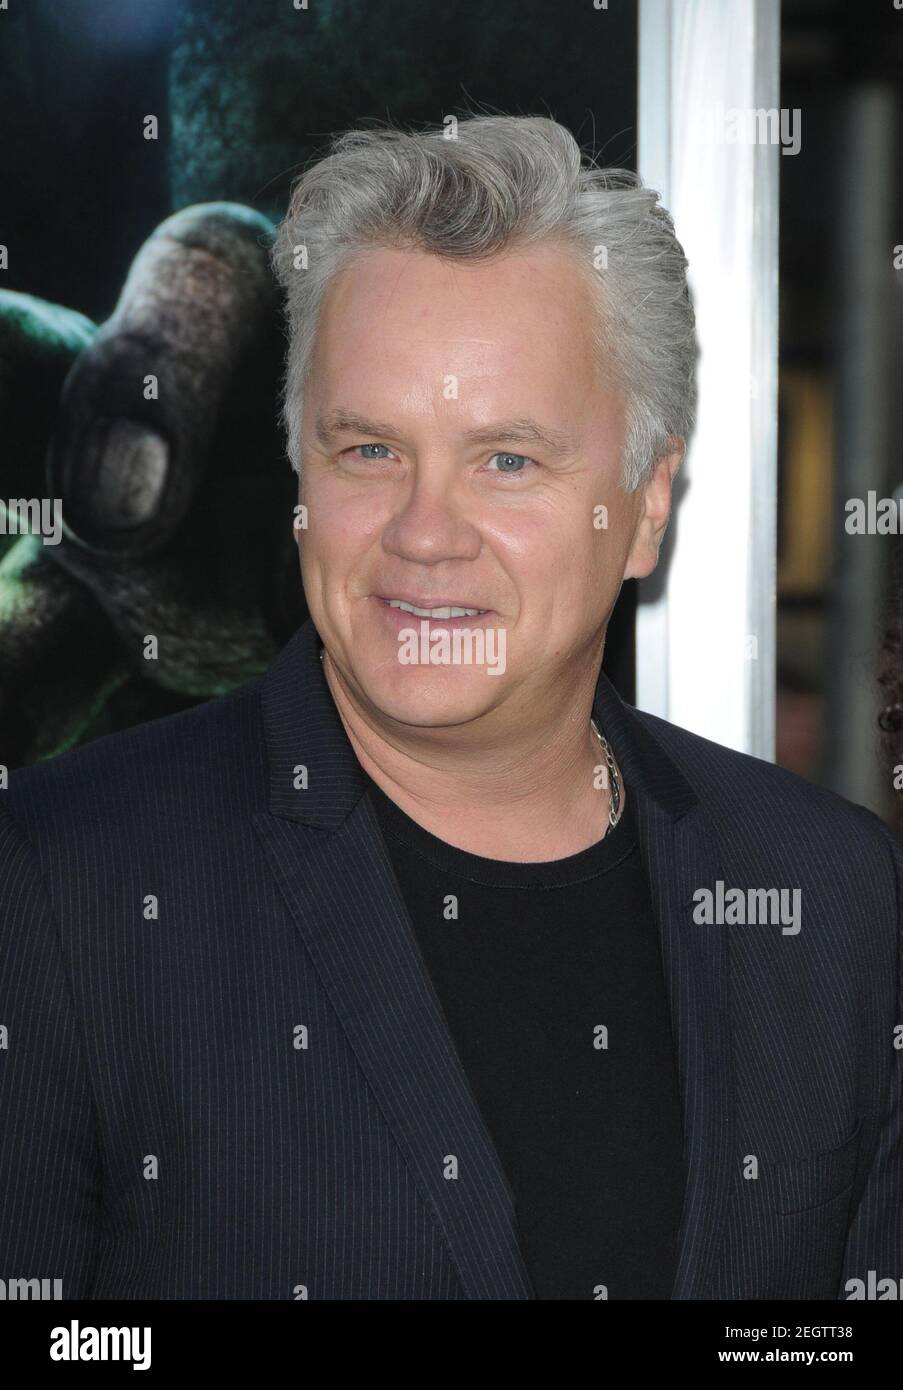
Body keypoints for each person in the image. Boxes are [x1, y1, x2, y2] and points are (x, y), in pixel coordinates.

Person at [1, 115, 900, 1301]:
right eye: (369, 449)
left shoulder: (834, 896)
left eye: (507, 461)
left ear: (645, 506)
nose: (424, 535)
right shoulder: (65, 882)